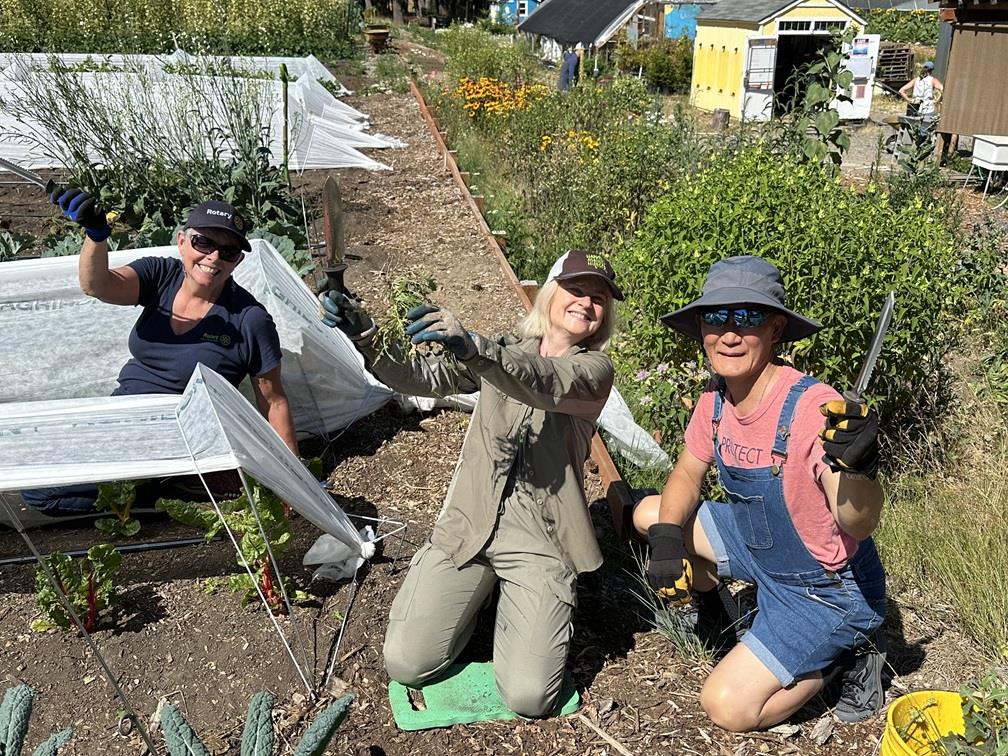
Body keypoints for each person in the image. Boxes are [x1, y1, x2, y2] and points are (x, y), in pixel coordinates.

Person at [320, 249, 621, 718]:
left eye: (598, 298)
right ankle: (477, 599)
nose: (586, 302)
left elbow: (542, 381)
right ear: (550, 294)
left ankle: (516, 601)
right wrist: (366, 335)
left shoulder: (592, 371)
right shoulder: (504, 349)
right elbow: (422, 377)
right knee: (406, 663)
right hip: (470, 521)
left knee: (530, 697)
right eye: (576, 289)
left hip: (540, 538)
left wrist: (475, 347)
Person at [633, 256, 887, 731]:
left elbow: (858, 522)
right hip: (761, 551)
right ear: (702, 327)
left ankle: (846, 657)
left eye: (747, 318)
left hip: (824, 587)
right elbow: (686, 473)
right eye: (717, 317)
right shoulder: (715, 398)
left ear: (775, 329)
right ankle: (724, 612)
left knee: (727, 707)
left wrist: (857, 469)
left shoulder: (813, 408)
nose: (729, 334)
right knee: (650, 514)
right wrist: (667, 542)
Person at [22, 189, 298, 514]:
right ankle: (169, 492)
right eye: (203, 243)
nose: (213, 257)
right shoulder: (160, 276)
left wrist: (293, 482)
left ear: (237, 260)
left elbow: (274, 401)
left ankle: (163, 496)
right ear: (182, 241)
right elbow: (98, 285)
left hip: (176, 434)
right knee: (31, 461)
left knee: (40, 492)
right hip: (121, 416)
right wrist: (96, 235)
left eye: (228, 251)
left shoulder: (249, 319)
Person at [899, 60, 943, 140]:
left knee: (913, 130)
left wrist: (909, 100)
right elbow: (942, 89)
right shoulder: (933, 80)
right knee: (924, 132)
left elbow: (901, 90)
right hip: (927, 109)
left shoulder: (916, 80)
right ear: (931, 70)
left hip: (914, 108)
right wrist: (938, 100)